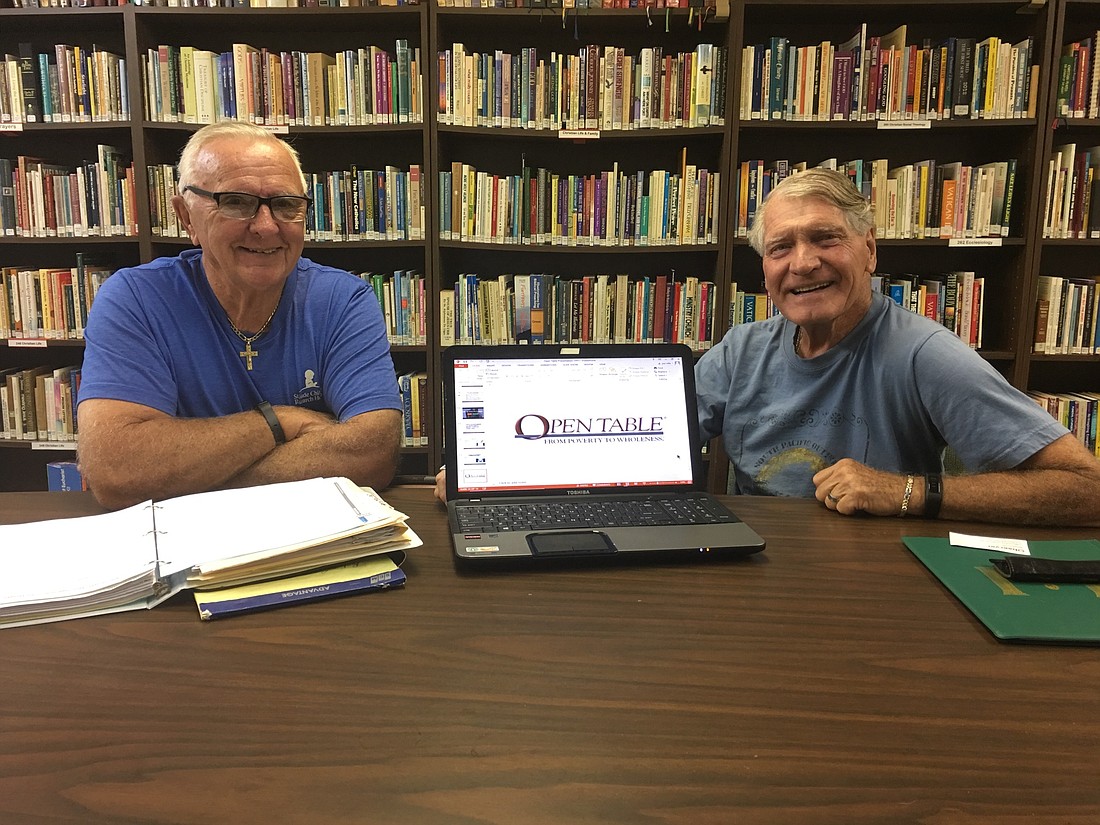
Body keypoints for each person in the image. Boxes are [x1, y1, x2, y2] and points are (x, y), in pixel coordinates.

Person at [694, 166, 1100, 526]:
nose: (802, 263)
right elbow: (649, 438)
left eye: (825, 238)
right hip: (755, 563)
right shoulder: (740, 351)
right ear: (765, 269)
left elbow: (1087, 489)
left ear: (869, 249)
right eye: (780, 247)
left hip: (879, 578)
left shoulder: (925, 353)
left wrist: (907, 492)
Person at [77, 122, 403, 510]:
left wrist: (185, 474)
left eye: (285, 205)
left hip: (309, 534)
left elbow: (373, 451)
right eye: (235, 201)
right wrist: (278, 421)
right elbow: (117, 469)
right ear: (186, 217)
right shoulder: (136, 299)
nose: (266, 227)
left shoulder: (343, 299)